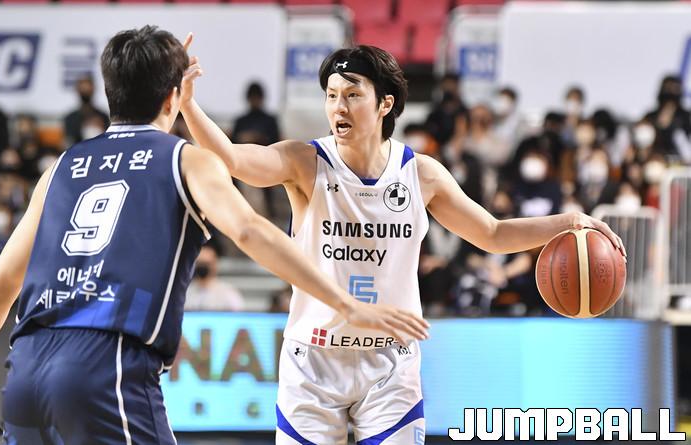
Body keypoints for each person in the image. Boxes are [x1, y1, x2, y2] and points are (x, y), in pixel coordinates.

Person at [0, 27, 428, 445]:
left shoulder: (59, 167)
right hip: (106, 362)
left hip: (26, 368)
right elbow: (248, 229)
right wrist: (347, 304)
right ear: (173, 97)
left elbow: (0, 286)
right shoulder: (183, 159)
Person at [181, 41, 626, 444]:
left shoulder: (421, 173)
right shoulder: (304, 160)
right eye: (331, 95)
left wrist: (570, 221)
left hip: (389, 364)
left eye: (352, 95)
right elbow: (233, 159)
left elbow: (492, 233)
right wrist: (188, 105)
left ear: (385, 104)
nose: (339, 106)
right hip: (313, 359)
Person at [184, 242, 244, 311]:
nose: (202, 267)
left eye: (206, 263)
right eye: (199, 263)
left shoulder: (228, 293)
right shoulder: (186, 293)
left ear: (215, 265)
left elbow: (238, 314)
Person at [63, 74, 111, 145]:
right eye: (82, 87)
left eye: (88, 87)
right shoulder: (71, 118)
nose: (85, 89)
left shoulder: (103, 117)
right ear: (77, 90)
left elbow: (108, 139)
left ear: (93, 89)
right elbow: (69, 141)